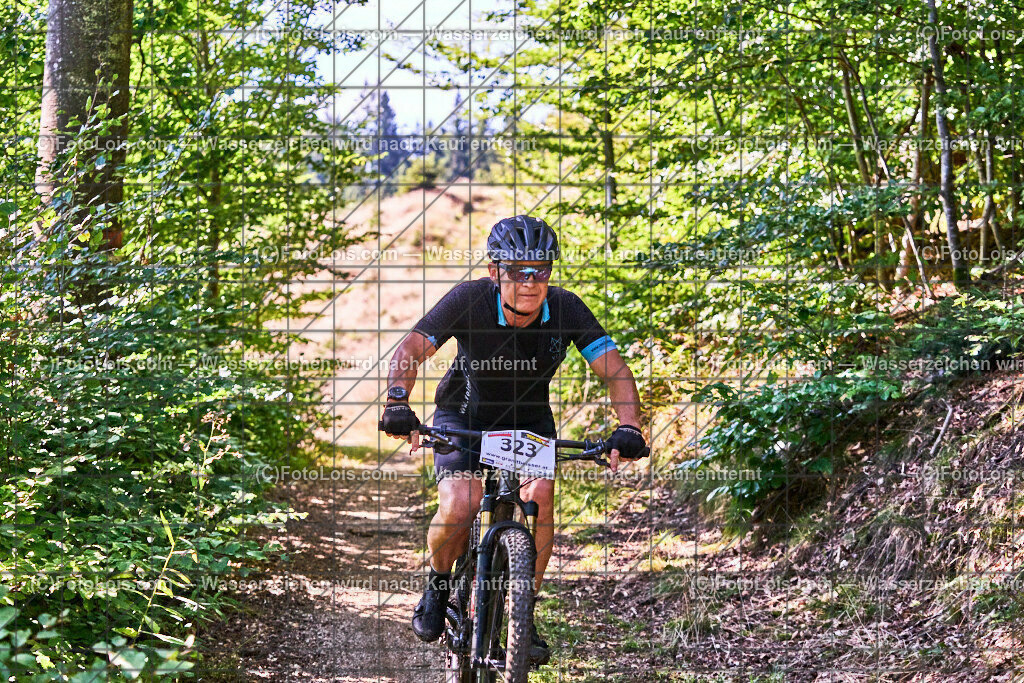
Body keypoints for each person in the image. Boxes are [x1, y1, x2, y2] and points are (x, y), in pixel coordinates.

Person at [378, 215, 647, 665]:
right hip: (463, 415)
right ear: (494, 271)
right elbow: (411, 349)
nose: (530, 281)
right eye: (517, 270)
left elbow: (615, 370)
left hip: (528, 423)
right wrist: (398, 401)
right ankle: (440, 583)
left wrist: (630, 427)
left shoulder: (566, 308)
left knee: (539, 497)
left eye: (541, 270)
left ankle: (524, 613)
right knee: (462, 503)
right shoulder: (469, 300)